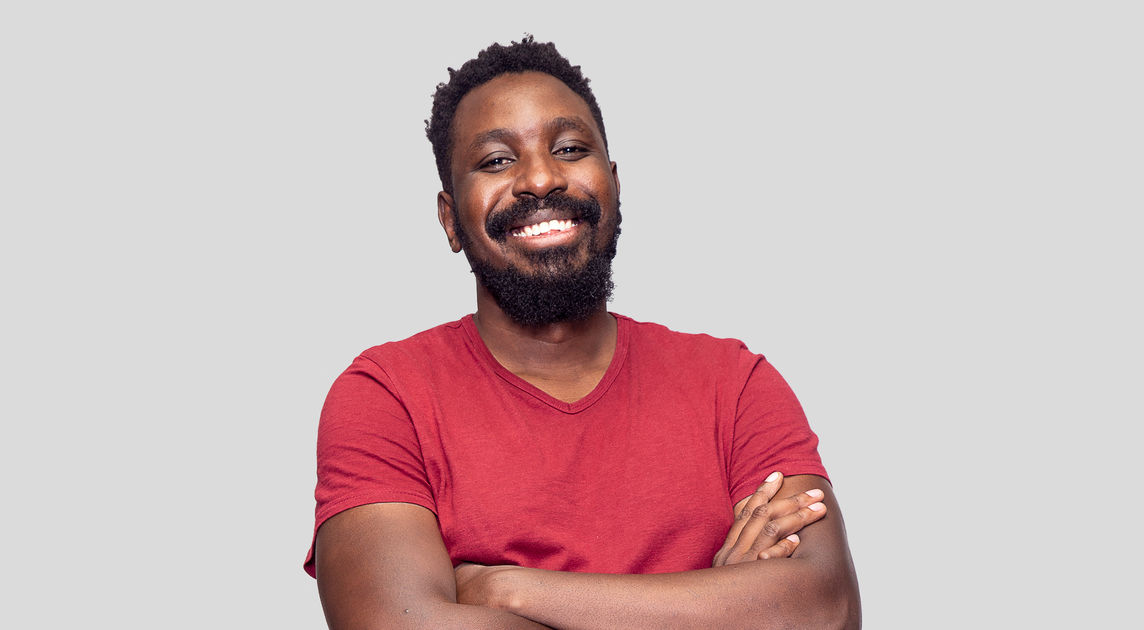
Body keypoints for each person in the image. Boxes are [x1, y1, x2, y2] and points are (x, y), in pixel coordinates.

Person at [306, 36, 860, 629]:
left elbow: (824, 610)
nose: (541, 179)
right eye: (496, 161)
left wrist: (506, 590)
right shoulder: (387, 397)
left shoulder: (735, 384)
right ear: (450, 219)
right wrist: (726, 606)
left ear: (614, 184)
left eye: (569, 149)